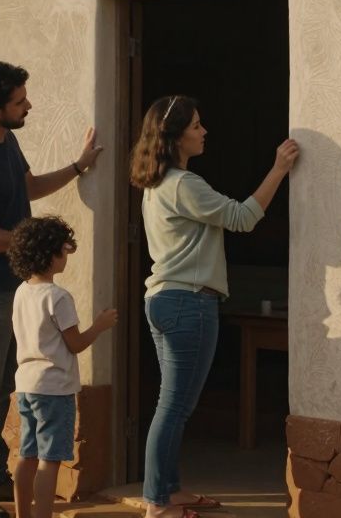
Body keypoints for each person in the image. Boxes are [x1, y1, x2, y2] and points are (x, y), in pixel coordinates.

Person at [127, 95, 298, 518]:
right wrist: (278, 169)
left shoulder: (158, 185)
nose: (204, 132)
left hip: (163, 300)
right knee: (174, 407)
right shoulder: (185, 185)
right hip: (188, 303)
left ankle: (167, 490)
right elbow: (243, 217)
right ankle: (157, 502)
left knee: (171, 405)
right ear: (176, 135)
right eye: (197, 126)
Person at [0, 60, 104, 518]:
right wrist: (39, 242)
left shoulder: (6, 139)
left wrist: (79, 166)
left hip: (16, 285)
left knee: (3, 388)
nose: (28, 105)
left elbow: (28, 187)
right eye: (19, 101)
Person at [7, 216, 117, 518]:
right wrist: (100, 325)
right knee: (50, 460)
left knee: (27, 455)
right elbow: (76, 343)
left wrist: (63, 242)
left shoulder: (22, 292)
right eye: (62, 251)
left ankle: (23, 515)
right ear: (50, 254)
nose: (67, 255)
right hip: (54, 389)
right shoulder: (58, 297)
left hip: (27, 385)